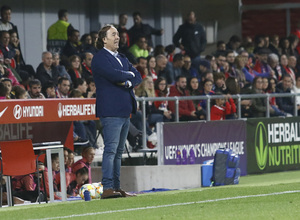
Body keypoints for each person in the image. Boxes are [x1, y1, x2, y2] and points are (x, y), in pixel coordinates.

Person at [91, 24, 141, 199]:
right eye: (113, 34)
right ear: (104, 39)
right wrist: (128, 76)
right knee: (111, 150)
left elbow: (138, 75)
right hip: (111, 110)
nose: (117, 37)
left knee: (119, 152)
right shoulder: (99, 58)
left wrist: (127, 80)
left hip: (124, 109)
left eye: (118, 34)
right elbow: (115, 75)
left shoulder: (122, 57)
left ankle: (117, 187)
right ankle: (107, 187)